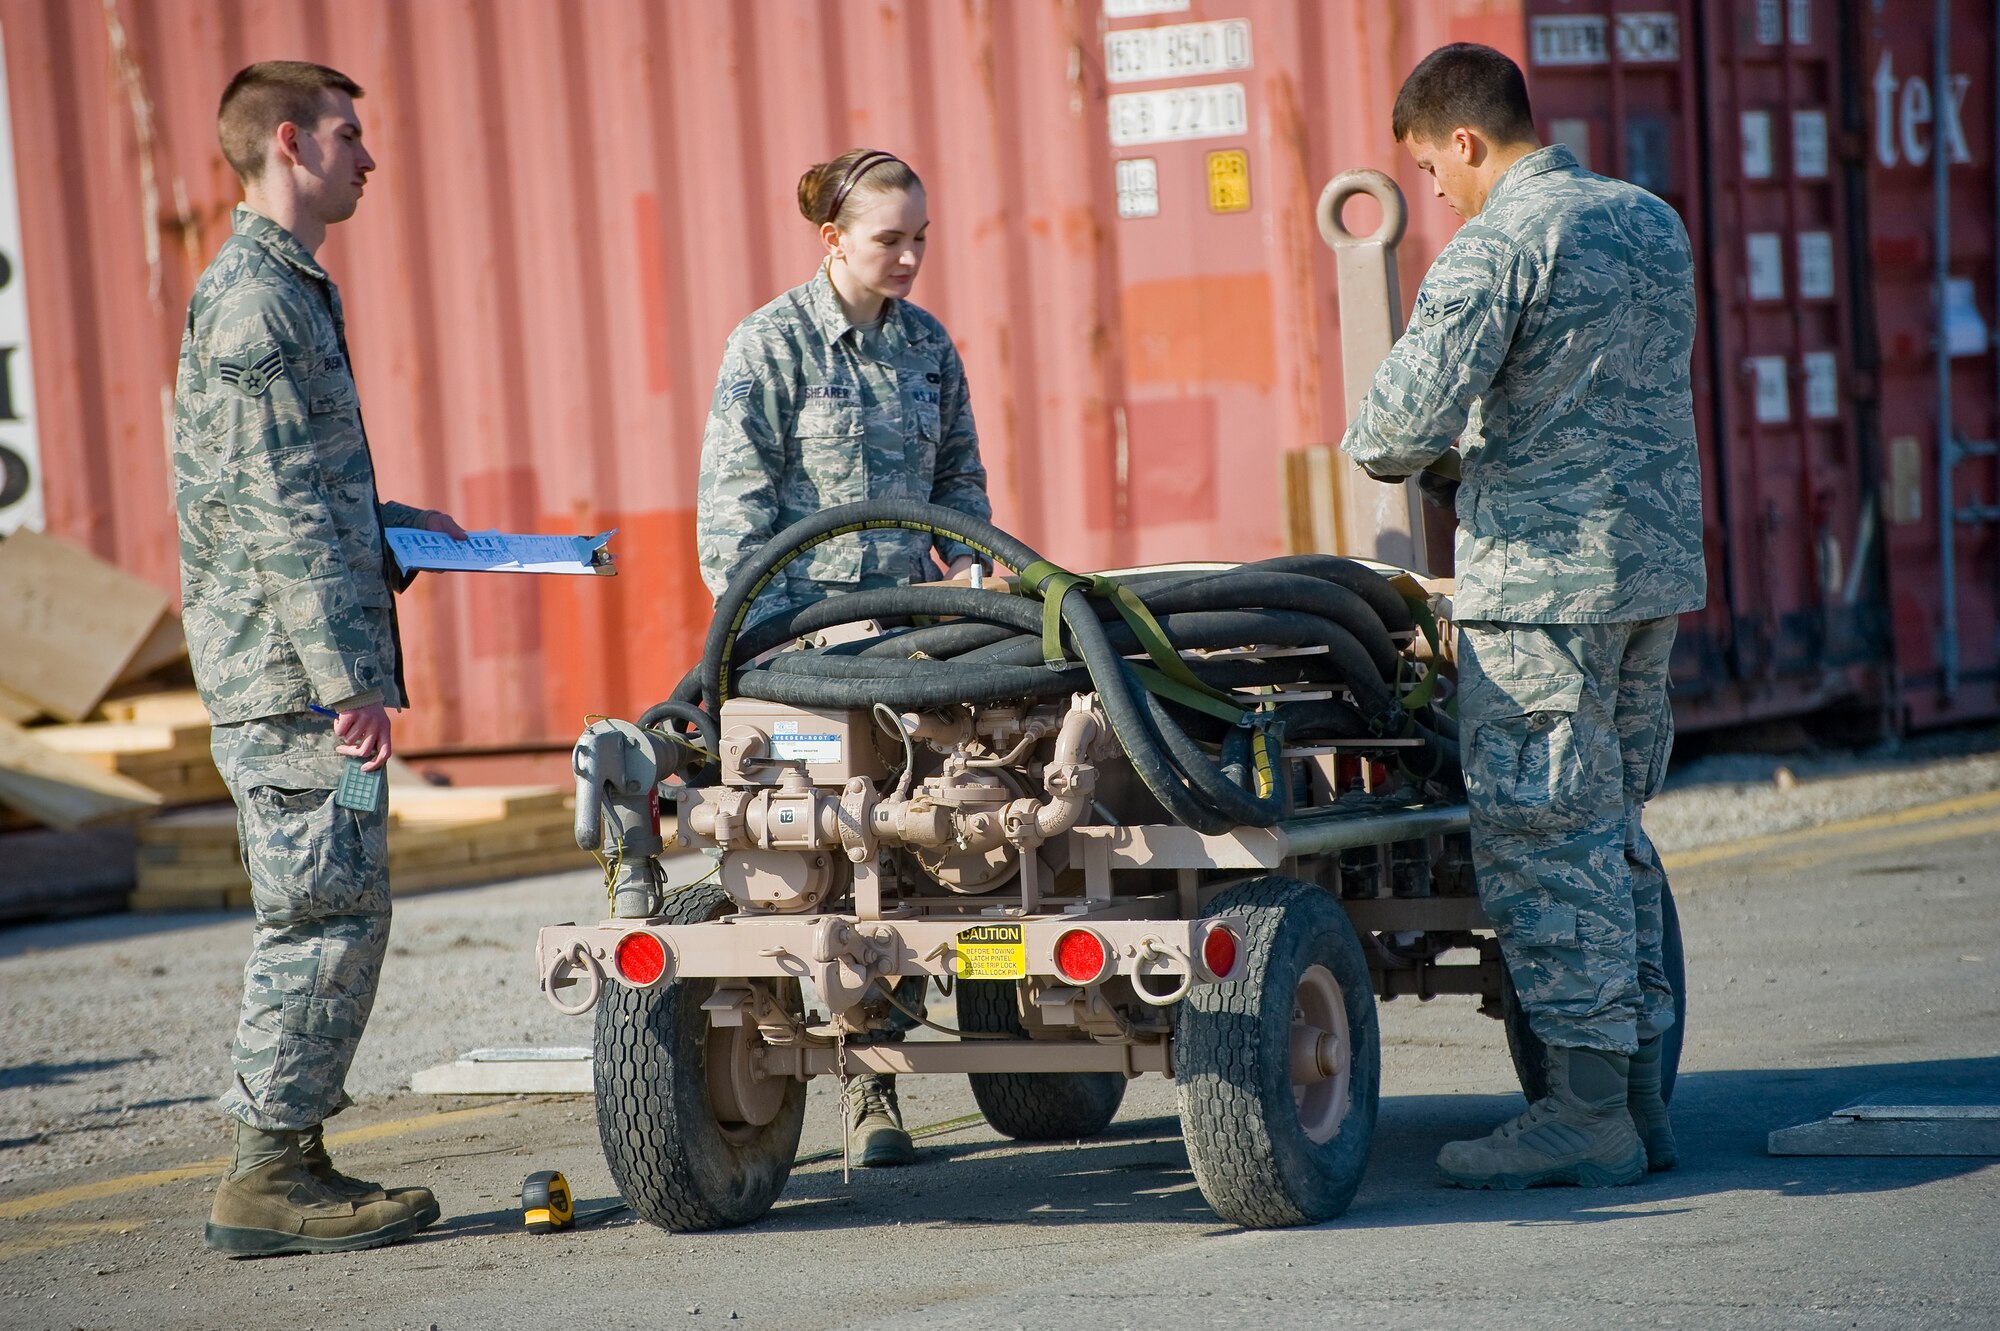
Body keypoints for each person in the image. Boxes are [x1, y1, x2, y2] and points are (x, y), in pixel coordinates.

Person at [1340, 44, 1706, 1189]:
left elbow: (1388, 433)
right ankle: (1639, 1103)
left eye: (1427, 165)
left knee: (1550, 845)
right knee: (1612, 837)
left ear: (1462, 139)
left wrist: (1462, 455)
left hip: (1541, 594)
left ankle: (1582, 1112)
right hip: (1647, 579)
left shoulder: (1496, 243)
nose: (1433, 191)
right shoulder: (1649, 219)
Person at [173, 61, 470, 1253]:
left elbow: (296, 491)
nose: (368, 156)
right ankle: (266, 1175)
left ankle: (290, 1153)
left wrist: (397, 528)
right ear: (288, 143)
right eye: (351, 136)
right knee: (317, 918)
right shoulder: (256, 301)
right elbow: (277, 510)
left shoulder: (288, 288)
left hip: (302, 670)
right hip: (295, 685)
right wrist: (348, 681)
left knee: (340, 910)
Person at [695, 149, 993, 1166]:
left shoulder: (926, 347)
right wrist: (789, 646)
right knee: (823, 865)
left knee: (918, 848)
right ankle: (862, 1091)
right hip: (805, 655)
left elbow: (960, 497)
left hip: (914, 644)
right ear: (831, 240)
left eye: (919, 238)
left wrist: (974, 592)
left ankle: (896, 1070)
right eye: (887, 240)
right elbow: (729, 533)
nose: (909, 257)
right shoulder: (769, 348)